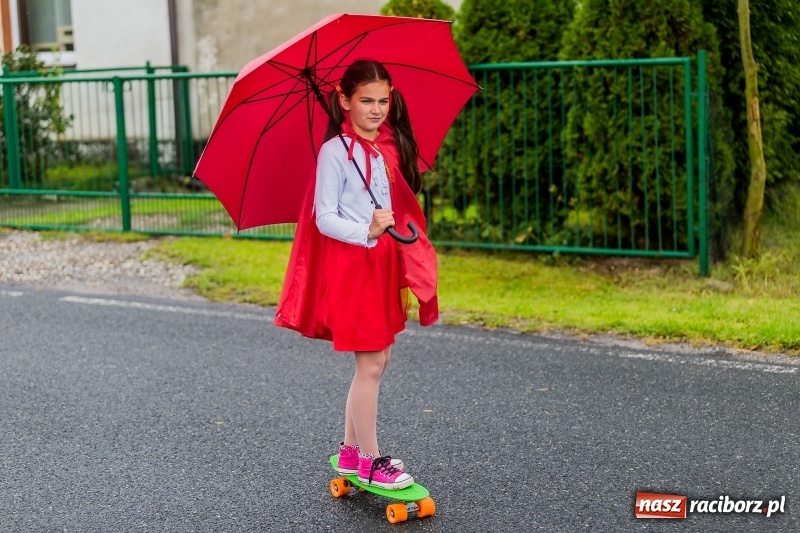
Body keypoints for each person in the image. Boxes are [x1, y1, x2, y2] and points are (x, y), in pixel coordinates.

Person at [274, 59, 439, 490]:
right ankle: (370, 459)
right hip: (353, 267)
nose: (376, 109)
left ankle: (350, 452)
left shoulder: (384, 149)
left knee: (380, 359)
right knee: (370, 364)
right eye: (366, 101)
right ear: (345, 101)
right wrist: (366, 229)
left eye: (383, 101)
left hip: (380, 262)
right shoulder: (335, 152)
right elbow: (324, 217)